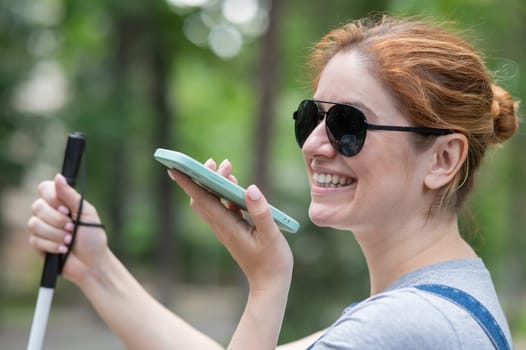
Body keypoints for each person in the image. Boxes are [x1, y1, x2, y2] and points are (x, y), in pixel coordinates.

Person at [27, 15, 519, 349]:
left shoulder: (401, 326)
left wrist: (267, 284)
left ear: (443, 159)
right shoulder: (442, 297)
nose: (312, 145)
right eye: (311, 118)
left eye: (348, 125)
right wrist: (95, 267)